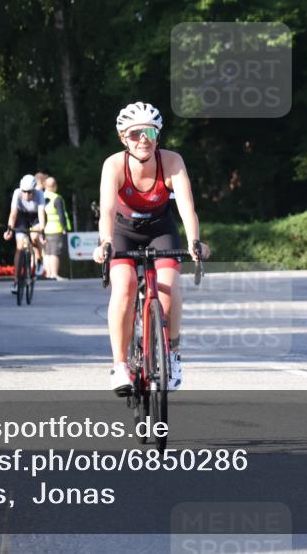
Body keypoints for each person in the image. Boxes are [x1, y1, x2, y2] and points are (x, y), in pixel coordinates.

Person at [92, 102, 209, 394]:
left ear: (157, 136)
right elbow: (106, 210)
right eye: (135, 134)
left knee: (168, 291)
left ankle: (171, 354)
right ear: (123, 138)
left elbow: (186, 206)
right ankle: (120, 365)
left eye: (149, 132)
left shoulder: (171, 161)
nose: (142, 139)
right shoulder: (114, 164)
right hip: (123, 232)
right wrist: (105, 242)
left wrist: (195, 241)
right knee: (125, 286)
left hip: (161, 229)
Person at [3, 174, 45, 294]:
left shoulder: (39, 194)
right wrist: (9, 229)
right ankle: (16, 281)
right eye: (24, 192)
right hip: (22, 217)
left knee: (34, 236)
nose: (26, 195)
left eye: (29, 192)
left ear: (34, 190)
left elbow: (41, 215)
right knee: (19, 247)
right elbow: (13, 214)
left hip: (35, 216)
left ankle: (39, 259)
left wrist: (42, 230)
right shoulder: (17, 193)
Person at [42, 176, 71, 280]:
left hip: (43, 229)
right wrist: (64, 227)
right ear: (55, 186)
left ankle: (48, 274)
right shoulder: (56, 198)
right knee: (54, 252)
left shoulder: (41, 196)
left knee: (46, 253)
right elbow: (61, 214)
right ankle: (54, 274)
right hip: (55, 229)